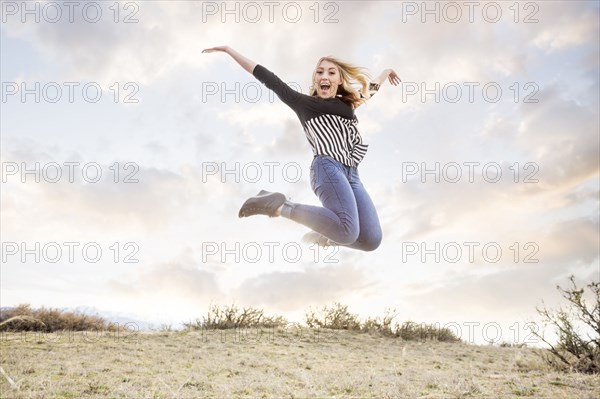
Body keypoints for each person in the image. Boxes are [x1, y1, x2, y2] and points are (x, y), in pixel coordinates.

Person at [202, 46, 400, 251]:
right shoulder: (304, 104)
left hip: (352, 175)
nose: (325, 76)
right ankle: (279, 205)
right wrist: (228, 50)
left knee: (371, 240)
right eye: (319, 72)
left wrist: (386, 71)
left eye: (331, 72)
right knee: (349, 231)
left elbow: (371, 89)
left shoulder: (348, 105)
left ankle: (326, 236)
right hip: (327, 167)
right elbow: (268, 78)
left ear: (339, 80)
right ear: (315, 80)